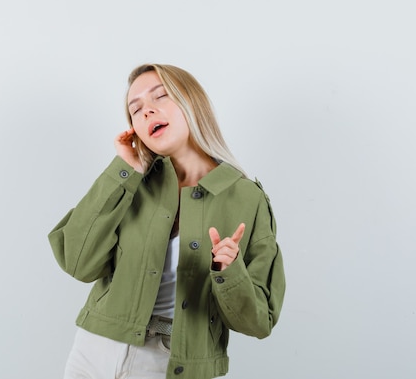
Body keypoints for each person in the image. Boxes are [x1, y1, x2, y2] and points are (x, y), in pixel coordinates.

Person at [48, 64, 285, 379]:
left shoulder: (246, 198)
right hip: (94, 350)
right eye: (136, 110)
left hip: (171, 362)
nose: (147, 112)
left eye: (160, 96)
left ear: (192, 103)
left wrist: (230, 272)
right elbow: (78, 262)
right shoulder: (131, 181)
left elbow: (259, 322)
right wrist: (122, 170)